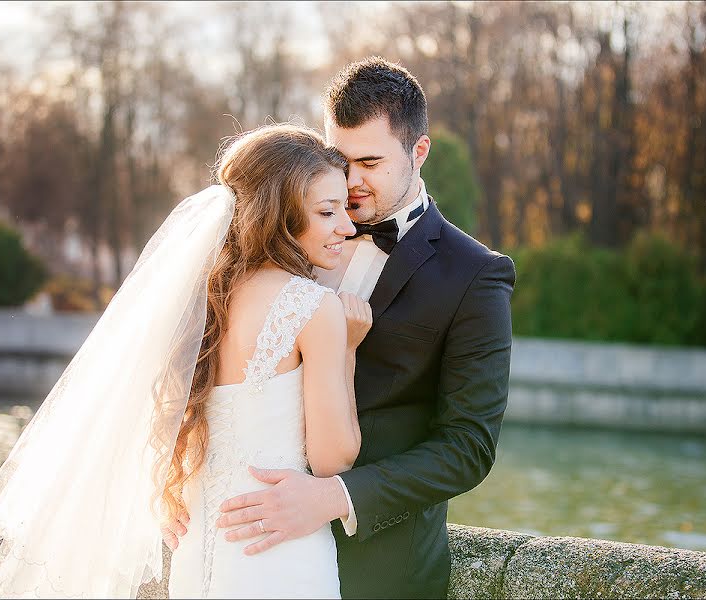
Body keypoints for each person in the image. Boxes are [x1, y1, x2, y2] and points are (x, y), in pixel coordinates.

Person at [0, 124, 372, 598]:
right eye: (327, 212)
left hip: (198, 551)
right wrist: (346, 349)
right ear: (279, 216)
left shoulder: (197, 302)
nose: (347, 227)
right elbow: (333, 458)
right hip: (279, 551)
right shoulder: (314, 308)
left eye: (344, 209)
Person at [180, 57, 517, 598]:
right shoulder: (284, 242)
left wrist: (335, 497)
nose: (352, 182)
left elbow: (468, 445)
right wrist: (175, 482)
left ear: (419, 151)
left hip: (381, 567)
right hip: (243, 547)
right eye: (342, 160)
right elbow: (200, 377)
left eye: (370, 162)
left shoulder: (475, 274)